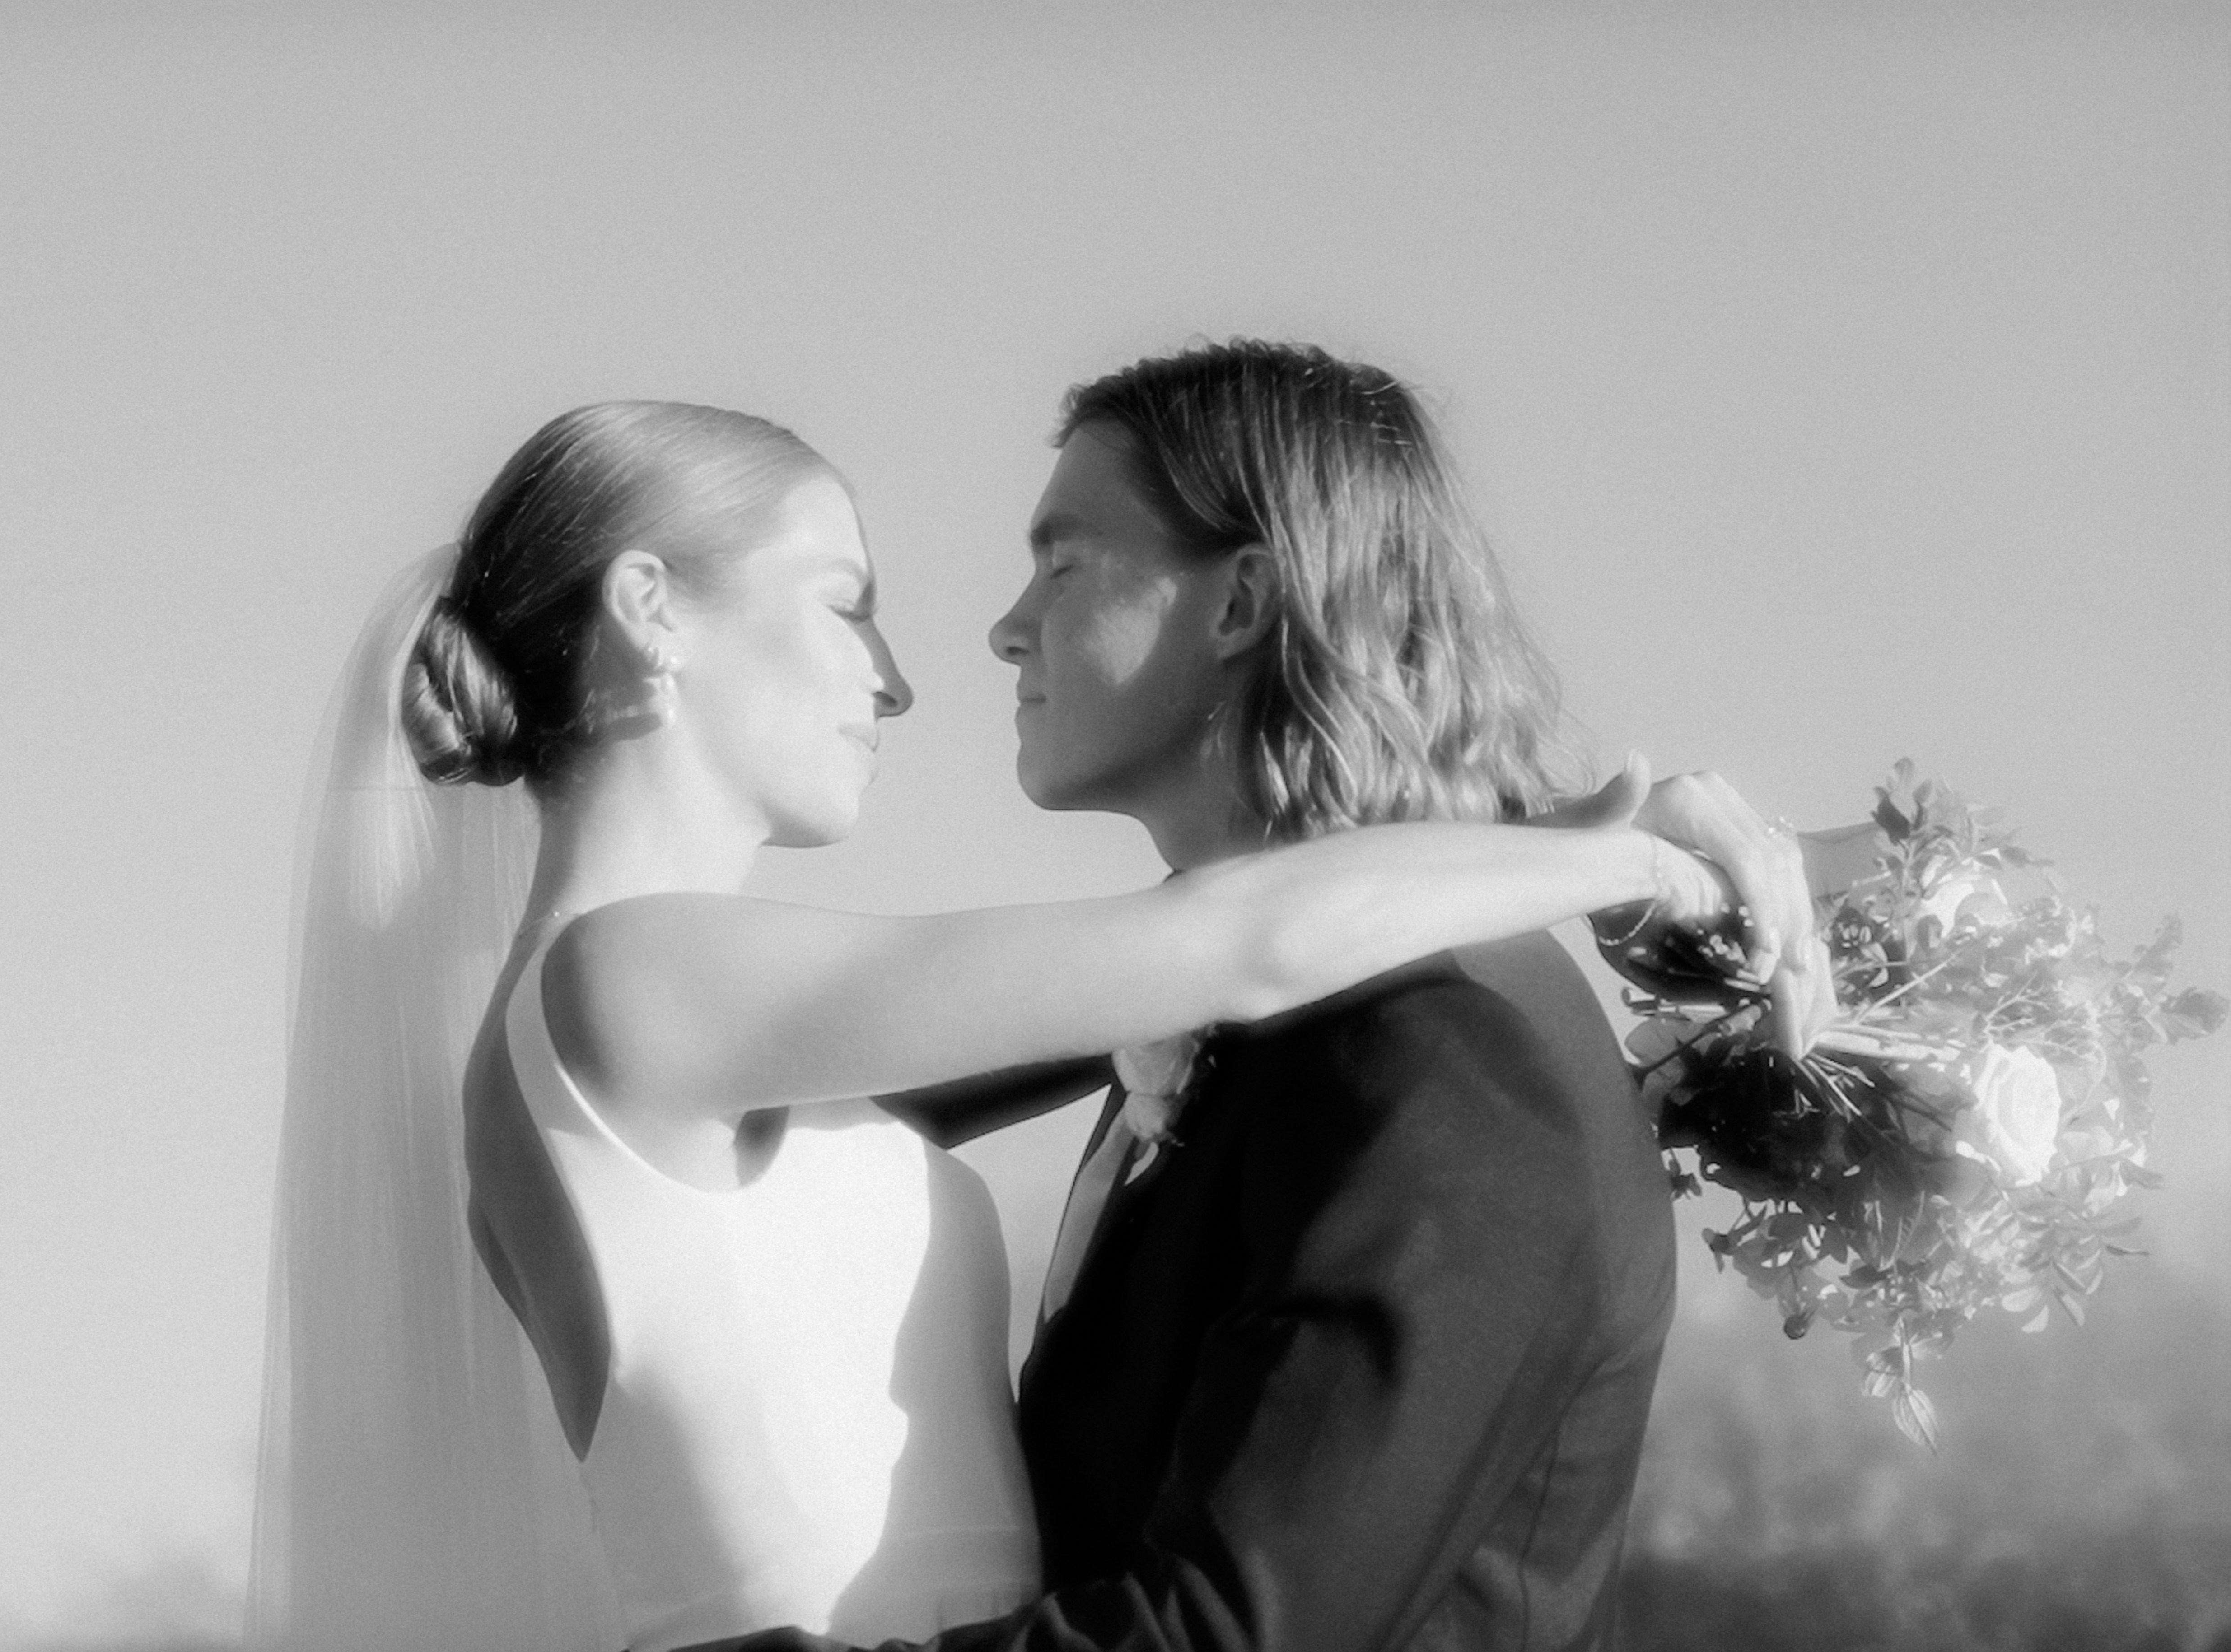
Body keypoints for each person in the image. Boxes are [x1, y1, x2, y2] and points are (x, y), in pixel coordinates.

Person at [248, 397, 1824, 1652]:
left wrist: (1544, 825)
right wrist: (1627, 852)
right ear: (655, 609)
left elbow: (1208, 963)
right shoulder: (631, 985)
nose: (901, 675)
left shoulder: (718, 1029)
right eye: (845, 602)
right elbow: (1236, 944)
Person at [702, 340, 1807, 1652]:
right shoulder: (1250, 1012)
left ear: (1238, 604)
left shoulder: (1450, 1065)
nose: (1007, 626)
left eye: (1062, 562)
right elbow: (785, 1082)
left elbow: (1219, 1634)